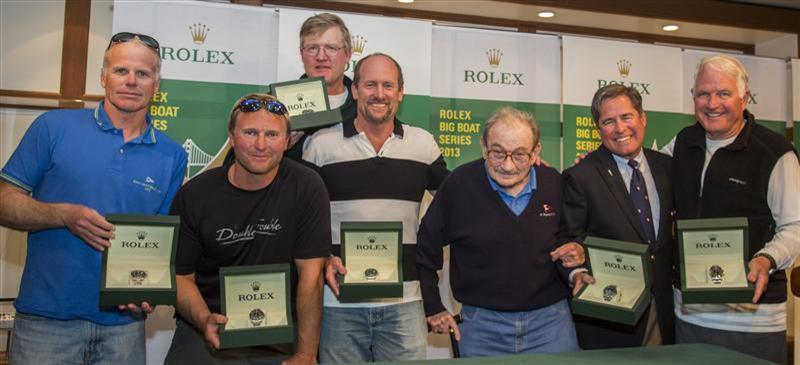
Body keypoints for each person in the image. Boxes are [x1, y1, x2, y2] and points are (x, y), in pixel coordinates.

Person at [0, 32, 187, 364]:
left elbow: (160, 241)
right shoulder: (53, 127)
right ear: (103, 76)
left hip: (123, 328)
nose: (131, 81)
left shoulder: (172, 154)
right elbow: (4, 199)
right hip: (47, 321)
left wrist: (147, 293)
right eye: (121, 71)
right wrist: (63, 215)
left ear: (157, 85)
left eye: (143, 74)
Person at [303, 53, 449, 363]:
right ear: (354, 90)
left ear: (400, 93)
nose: (379, 94)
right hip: (338, 302)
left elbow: (458, 201)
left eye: (387, 85)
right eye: (370, 84)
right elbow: (303, 220)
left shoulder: (423, 145)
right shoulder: (320, 145)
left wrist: (521, 168)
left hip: (405, 301)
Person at [164, 93, 330, 364]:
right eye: (250, 132)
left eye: (272, 134)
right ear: (231, 136)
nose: (261, 145)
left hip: (279, 328)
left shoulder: (308, 186)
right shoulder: (194, 194)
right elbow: (181, 277)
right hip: (208, 323)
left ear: (287, 141)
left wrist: (306, 354)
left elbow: (311, 277)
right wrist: (203, 319)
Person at [417, 106, 583, 358]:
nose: (507, 165)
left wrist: (578, 257)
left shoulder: (555, 184)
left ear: (535, 151)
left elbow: (574, 239)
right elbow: (424, 249)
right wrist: (433, 306)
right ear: (483, 147)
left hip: (551, 325)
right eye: (497, 153)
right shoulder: (459, 185)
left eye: (519, 155)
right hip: (481, 328)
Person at [666, 54, 800, 365]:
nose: (712, 103)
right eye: (703, 93)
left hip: (753, 323)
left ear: (745, 97)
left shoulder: (776, 153)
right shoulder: (683, 143)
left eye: (723, 93)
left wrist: (767, 259)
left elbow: (795, 226)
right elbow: (644, 175)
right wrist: (592, 167)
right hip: (690, 319)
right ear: (693, 98)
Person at [560, 84, 675, 349]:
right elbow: (568, 240)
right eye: (608, 121)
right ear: (598, 129)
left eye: (627, 117)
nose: (620, 128)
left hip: (663, 312)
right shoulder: (581, 176)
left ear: (643, 118)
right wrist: (577, 272)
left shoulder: (667, 167)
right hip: (610, 318)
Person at [285, 12, 357, 161]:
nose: (321, 56)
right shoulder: (276, 105)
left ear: (348, 54)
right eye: (312, 48)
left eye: (331, 48)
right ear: (301, 54)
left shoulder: (365, 107)